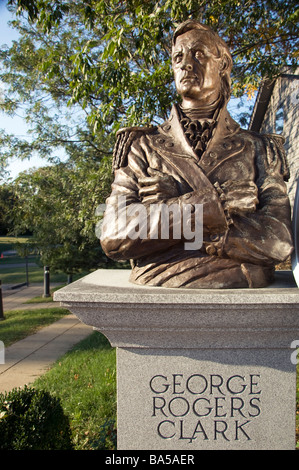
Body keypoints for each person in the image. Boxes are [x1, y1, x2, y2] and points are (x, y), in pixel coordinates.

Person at [100, 20, 293, 289]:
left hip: (240, 284)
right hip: (159, 283)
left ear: (223, 64)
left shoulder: (259, 148)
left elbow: (279, 242)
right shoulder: (142, 146)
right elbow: (113, 235)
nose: (186, 64)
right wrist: (209, 208)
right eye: (178, 57)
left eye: (198, 53)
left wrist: (163, 215)